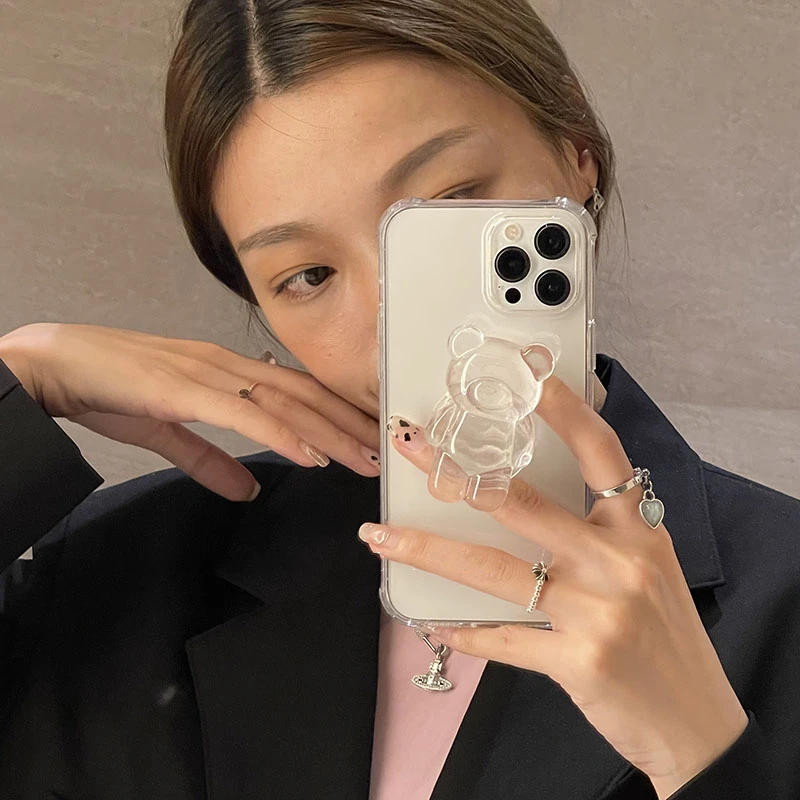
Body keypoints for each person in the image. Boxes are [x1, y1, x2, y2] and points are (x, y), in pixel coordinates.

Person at [0, 1, 798, 798]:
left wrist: (702, 753)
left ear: (575, 153)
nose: (394, 316)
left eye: (448, 203)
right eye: (309, 275)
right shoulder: (123, 577)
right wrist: (18, 384)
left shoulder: (782, 594)